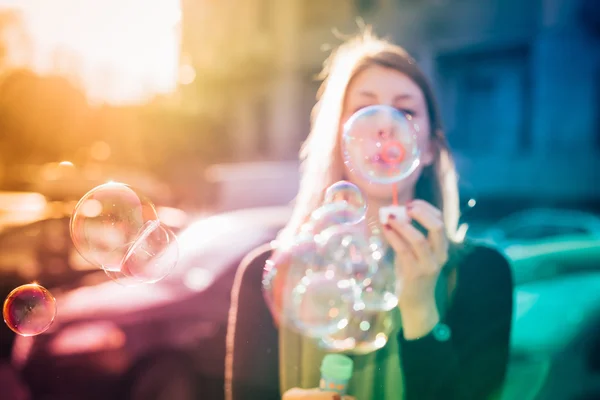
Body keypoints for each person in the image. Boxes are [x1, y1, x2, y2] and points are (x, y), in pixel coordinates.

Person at [225, 28, 513, 400]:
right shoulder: (263, 274)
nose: (384, 124)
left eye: (406, 111)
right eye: (364, 110)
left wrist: (420, 308)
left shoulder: (482, 274)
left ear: (428, 149)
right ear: (337, 140)